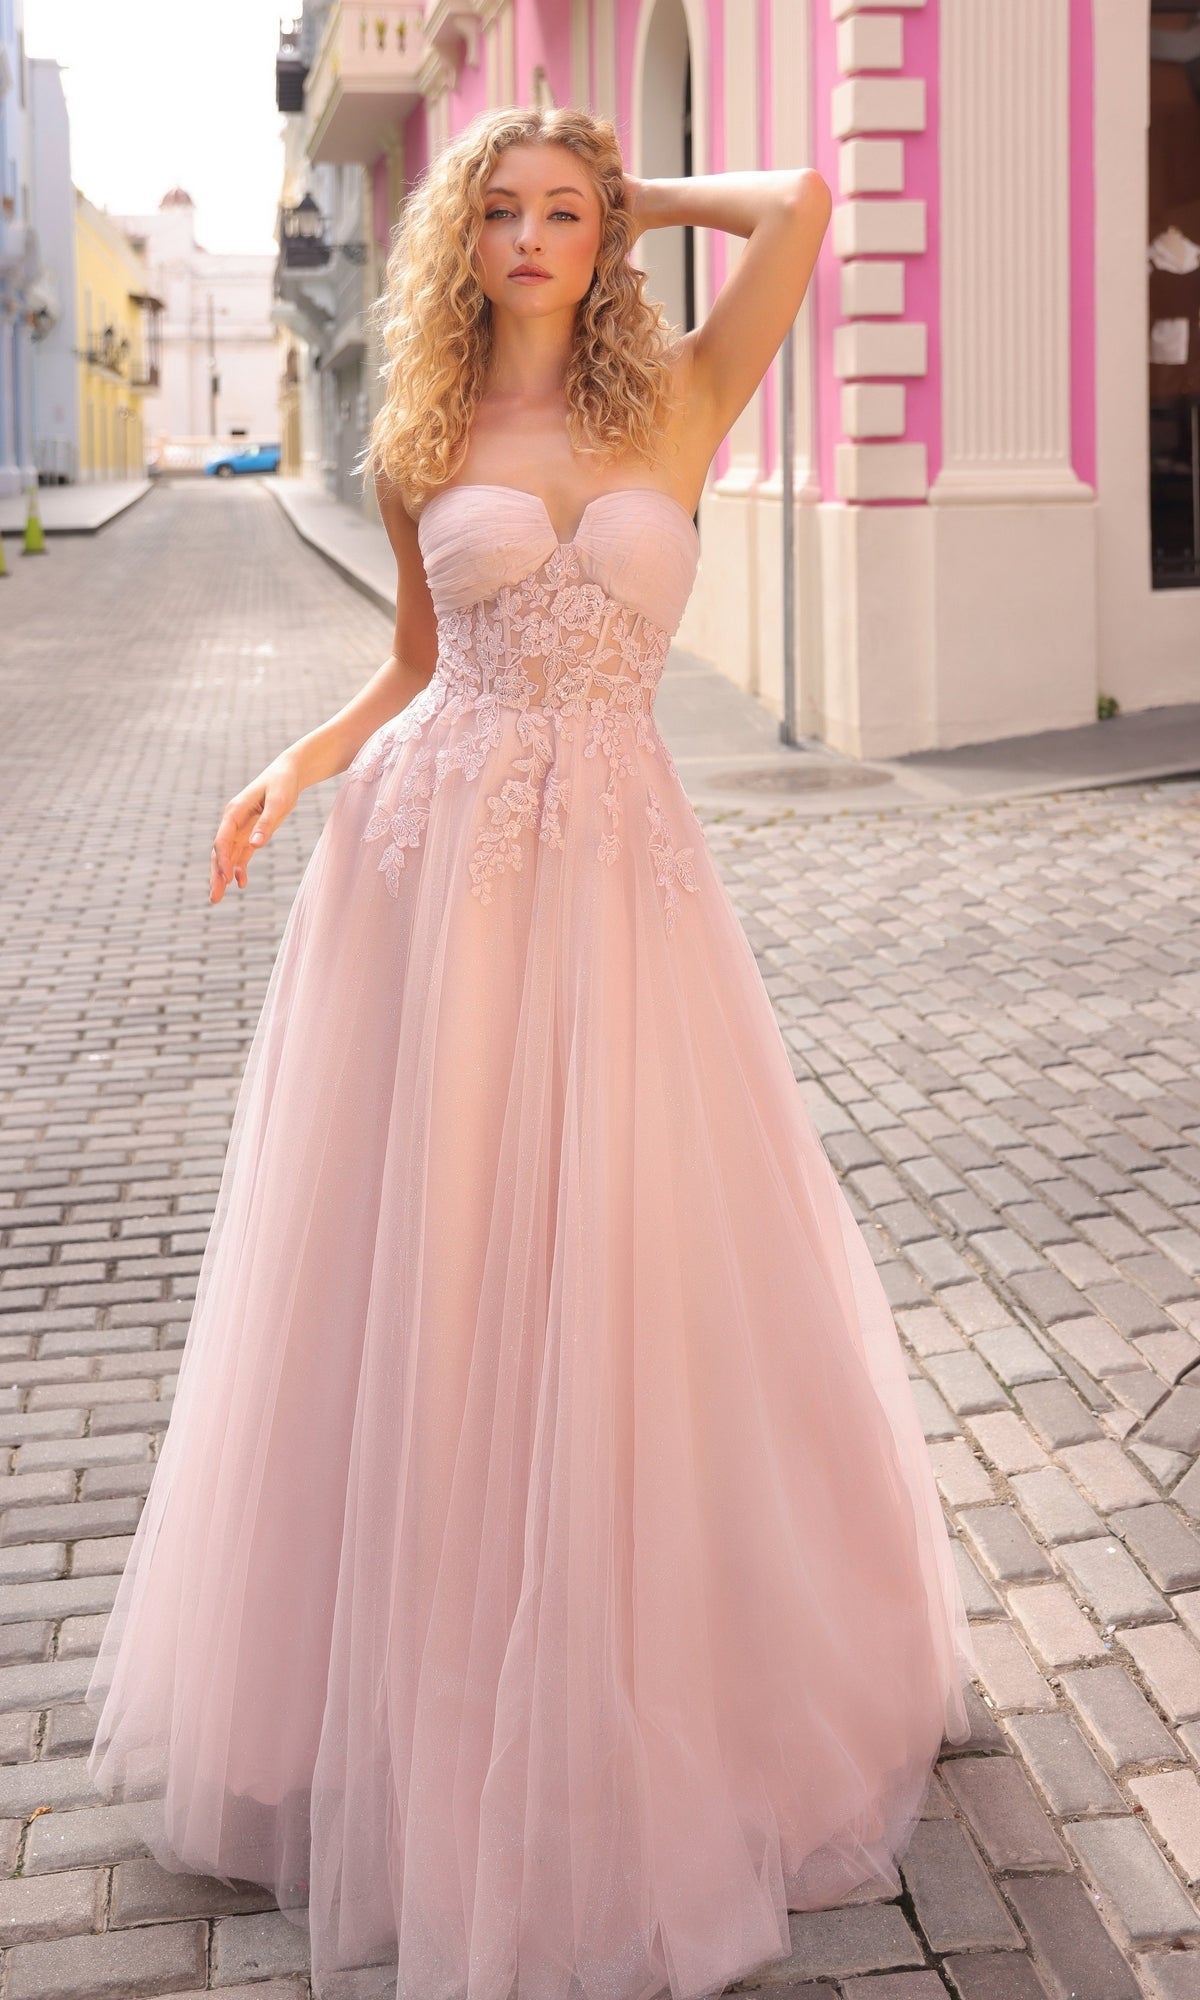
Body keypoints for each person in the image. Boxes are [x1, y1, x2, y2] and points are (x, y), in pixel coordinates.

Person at [84, 105, 975, 2000]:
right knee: (445, 1266)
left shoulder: (680, 402)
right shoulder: (423, 439)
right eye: (502, 209)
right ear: (460, 240)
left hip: (625, 887)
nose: (535, 236)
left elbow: (811, 205)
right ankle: (410, 1699)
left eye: (565, 212)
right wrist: (291, 763)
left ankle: (651, 1667)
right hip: (444, 881)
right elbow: (413, 668)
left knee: (636, 1267)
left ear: (604, 232)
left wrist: (639, 183)